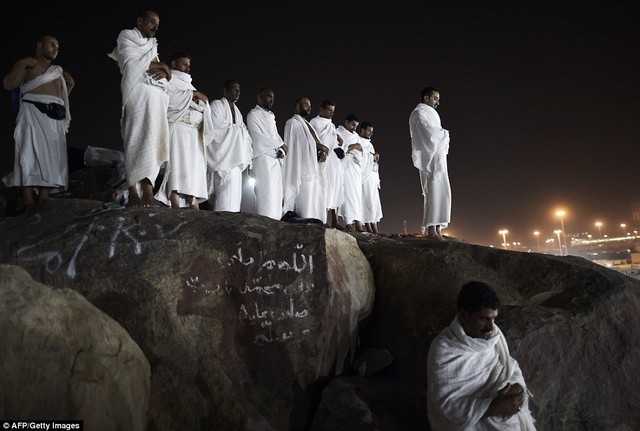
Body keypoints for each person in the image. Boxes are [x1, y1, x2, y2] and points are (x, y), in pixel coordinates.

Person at [427, 281, 536, 430]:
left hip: (502, 415)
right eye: (483, 319)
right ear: (464, 315)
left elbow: (510, 367)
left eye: (494, 319)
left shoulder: (493, 336)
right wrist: (493, 408)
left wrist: (516, 388)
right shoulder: (444, 349)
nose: (491, 327)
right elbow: (445, 410)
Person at [2, 35, 74, 212]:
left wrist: (69, 85)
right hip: (33, 113)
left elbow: (58, 97)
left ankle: (44, 199)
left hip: (54, 118)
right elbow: (9, 85)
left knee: (51, 157)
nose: (55, 48)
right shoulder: (29, 64)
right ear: (39, 45)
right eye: (51, 45)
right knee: (29, 154)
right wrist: (21, 65)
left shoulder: (57, 70)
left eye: (57, 46)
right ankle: (28, 202)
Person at [110, 7, 172, 207]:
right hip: (136, 93)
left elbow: (155, 66)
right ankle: (133, 191)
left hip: (155, 97)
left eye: (158, 24)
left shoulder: (152, 45)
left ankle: (148, 192)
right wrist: (162, 67)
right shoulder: (126, 36)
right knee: (135, 138)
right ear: (140, 21)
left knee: (152, 143)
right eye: (152, 21)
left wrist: (165, 71)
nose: (155, 27)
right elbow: (131, 65)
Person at [156, 52, 213, 209]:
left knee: (193, 167)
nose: (187, 68)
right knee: (178, 165)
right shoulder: (169, 80)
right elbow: (168, 101)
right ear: (174, 64)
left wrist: (198, 101)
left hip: (194, 131)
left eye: (189, 65)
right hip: (179, 127)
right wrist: (192, 96)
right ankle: (175, 202)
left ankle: (191, 200)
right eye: (184, 64)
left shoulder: (189, 84)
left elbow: (204, 104)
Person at [409, 87, 451, 240]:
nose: (437, 102)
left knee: (442, 191)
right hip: (430, 158)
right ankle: (432, 229)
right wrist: (444, 134)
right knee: (432, 191)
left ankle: (438, 227)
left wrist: (441, 134)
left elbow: (434, 131)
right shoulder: (419, 113)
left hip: (439, 159)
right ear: (426, 98)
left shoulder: (431, 113)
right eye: (435, 98)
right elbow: (427, 133)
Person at [206, 80, 252, 212]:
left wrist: (238, 130)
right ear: (225, 91)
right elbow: (215, 128)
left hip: (235, 161)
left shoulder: (237, 112)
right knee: (223, 198)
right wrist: (238, 130)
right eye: (234, 89)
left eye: (239, 89)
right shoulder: (216, 105)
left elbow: (244, 131)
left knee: (234, 196)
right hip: (222, 158)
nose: (238, 92)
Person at [282, 97, 328, 222]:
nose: (309, 107)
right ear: (297, 106)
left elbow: (311, 142)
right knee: (304, 204)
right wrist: (320, 146)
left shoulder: (307, 125)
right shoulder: (292, 123)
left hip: (312, 169)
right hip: (301, 170)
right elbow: (298, 145)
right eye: (306, 105)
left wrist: (321, 152)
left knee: (314, 201)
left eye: (310, 105)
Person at [246, 88, 287, 220]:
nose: (271, 99)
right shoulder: (253, 114)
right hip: (262, 158)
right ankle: (265, 222)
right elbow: (257, 137)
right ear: (260, 98)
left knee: (276, 193)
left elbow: (275, 136)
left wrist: (280, 150)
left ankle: (276, 221)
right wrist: (279, 146)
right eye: (268, 96)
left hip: (275, 159)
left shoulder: (271, 116)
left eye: (273, 97)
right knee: (266, 192)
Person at [309, 99, 344, 229]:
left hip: (333, 162)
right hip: (321, 161)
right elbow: (313, 140)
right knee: (323, 189)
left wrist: (338, 140)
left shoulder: (331, 125)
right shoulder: (314, 122)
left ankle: (334, 220)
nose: (331, 113)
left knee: (334, 189)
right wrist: (320, 151)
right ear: (321, 109)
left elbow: (332, 142)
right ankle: (322, 218)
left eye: (333, 111)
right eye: (329, 110)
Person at [336, 114, 363, 231]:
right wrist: (352, 146)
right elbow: (339, 149)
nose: (354, 128)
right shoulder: (338, 132)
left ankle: (357, 222)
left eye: (356, 126)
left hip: (355, 168)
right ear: (346, 122)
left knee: (356, 195)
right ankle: (348, 222)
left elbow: (361, 152)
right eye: (352, 124)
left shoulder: (356, 136)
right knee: (347, 194)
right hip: (345, 168)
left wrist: (352, 148)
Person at [358, 122, 382, 234]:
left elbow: (371, 158)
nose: (371, 134)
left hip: (372, 177)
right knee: (366, 201)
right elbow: (360, 158)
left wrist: (375, 157)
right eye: (369, 131)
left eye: (372, 132)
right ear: (362, 130)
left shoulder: (370, 144)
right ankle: (368, 226)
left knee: (373, 202)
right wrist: (372, 156)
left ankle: (375, 228)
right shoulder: (358, 140)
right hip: (364, 177)